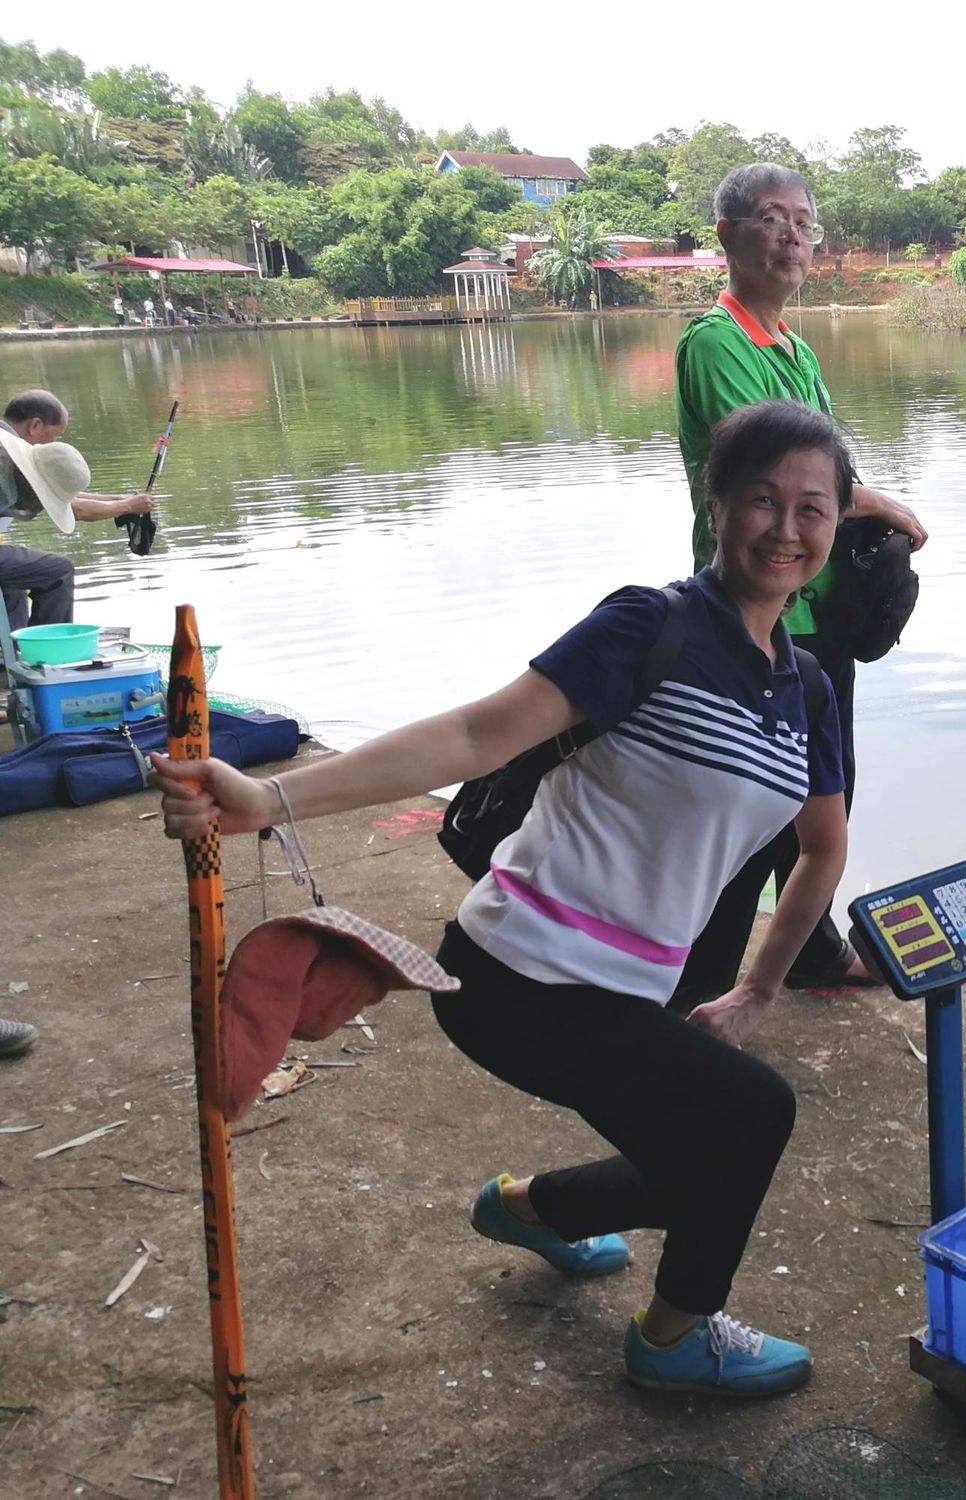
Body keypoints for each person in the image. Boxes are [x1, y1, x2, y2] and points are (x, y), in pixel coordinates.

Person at [153, 400, 857, 1398]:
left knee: (697, 1152)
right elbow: (481, 735)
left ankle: (526, 1208)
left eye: (812, 509)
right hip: (515, 974)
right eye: (761, 501)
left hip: (626, 993)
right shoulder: (647, 626)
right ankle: (669, 1340)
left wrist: (754, 991)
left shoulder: (808, 691)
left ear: (836, 525)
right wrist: (268, 797)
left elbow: (821, 849)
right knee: (749, 1117)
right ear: (715, 508)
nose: (785, 529)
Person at [671, 162, 928, 1003]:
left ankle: (804, 951)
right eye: (770, 218)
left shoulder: (793, 347)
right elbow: (778, 472)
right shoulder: (718, 343)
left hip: (807, 599)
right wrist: (882, 505)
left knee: (823, 782)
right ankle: (704, 988)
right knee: (759, 792)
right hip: (756, 604)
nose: (790, 235)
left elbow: (829, 469)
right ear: (727, 237)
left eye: (803, 221)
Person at [2, 391, 156, 631]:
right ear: (35, 425)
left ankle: (10, 654)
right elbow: (76, 507)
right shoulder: (5, 460)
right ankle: (48, 652)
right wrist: (127, 506)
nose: (52, 445)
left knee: (18, 580)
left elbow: (59, 494)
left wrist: (120, 500)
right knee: (57, 571)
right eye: (54, 436)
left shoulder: (7, 445)